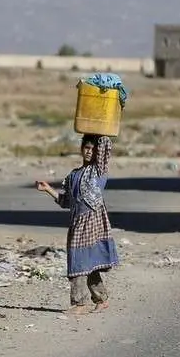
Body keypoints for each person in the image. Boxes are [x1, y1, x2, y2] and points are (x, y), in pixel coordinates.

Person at [36, 134, 119, 315]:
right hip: (77, 222)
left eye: (93, 149)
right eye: (87, 148)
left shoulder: (98, 171)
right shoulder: (74, 175)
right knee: (87, 262)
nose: (90, 152)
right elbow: (66, 201)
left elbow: (105, 148)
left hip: (93, 221)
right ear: (82, 149)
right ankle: (101, 299)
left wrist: (101, 129)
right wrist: (48, 189)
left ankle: (79, 304)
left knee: (78, 261)